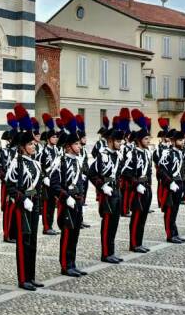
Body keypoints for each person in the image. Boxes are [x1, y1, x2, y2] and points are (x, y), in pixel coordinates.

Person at [6, 104, 43, 292]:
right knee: (23, 242)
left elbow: (39, 185)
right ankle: (23, 278)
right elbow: (10, 187)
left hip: (34, 203)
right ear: (22, 147)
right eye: (30, 144)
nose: (33, 146)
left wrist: (39, 205)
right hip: (23, 206)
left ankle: (31, 275)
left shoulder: (35, 163)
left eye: (33, 143)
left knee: (33, 241)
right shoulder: (15, 163)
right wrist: (22, 200)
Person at [52, 112, 88, 277]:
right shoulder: (60, 162)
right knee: (67, 234)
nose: (79, 146)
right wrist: (67, 198)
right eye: (76, 144)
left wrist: (81, 200)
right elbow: (55, 185)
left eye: (79, 144)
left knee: (75, 234)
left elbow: (80, 183)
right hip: (67, 204)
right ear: (67, 146)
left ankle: (72, 262)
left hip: (77, 202)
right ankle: (65, 265)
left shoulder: (77, 161)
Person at [89, 123, 124, 264]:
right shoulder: (102, 156)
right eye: (118, 141)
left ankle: (111, 252)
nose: (120, 144)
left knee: (114, 224)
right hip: (107, 194)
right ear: (110, 141)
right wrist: (102, 186)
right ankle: (105, 253)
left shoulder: (117, 156)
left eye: (120, 141)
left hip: (116, 192)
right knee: (107, 224)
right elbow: (92, 174)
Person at [121, 112, 153, 253]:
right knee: (136, 217)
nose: (148, 141)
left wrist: (149, 186)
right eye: (146, 139)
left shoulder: (147, 153)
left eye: (149, 138)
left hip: (146, 187)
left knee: (143, 217)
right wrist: (136, 184)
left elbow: (150, 171)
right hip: (137, 189)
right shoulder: (132, 153)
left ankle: (139, 242)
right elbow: (125, 172)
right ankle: (134, 244)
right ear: (139, 140)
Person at [157, 127, 185, 244]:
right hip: (170, 185)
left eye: (183, 140)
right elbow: (161, 171)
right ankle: (170, 235)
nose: (183, 142)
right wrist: (170, 183)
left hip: (179, 184)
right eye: (180, 140)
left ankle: (175, 233)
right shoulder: (167, 153)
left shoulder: (180, 153)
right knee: (170, 211)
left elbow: (182, 170)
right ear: (173, 141)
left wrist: (183, 185)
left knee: (175, 211)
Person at [0, 113, 17, 244]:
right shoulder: (5, 153)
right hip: (8, 185)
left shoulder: (18, 153)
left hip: (17, 185)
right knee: (8, 210)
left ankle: (14, 233)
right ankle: (7, 234)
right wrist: (6, 178)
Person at [40, 114, 61, 236]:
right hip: (47, 182)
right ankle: (46, 227)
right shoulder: (44, 152)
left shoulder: (57, 151)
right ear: (48, 139)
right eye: (53, 137)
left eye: (56, 137)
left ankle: (51, 225)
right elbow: (40, 167)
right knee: (47, 206)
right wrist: (44, 178)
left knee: (53, 206)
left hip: (54, 181)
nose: (56, 139)